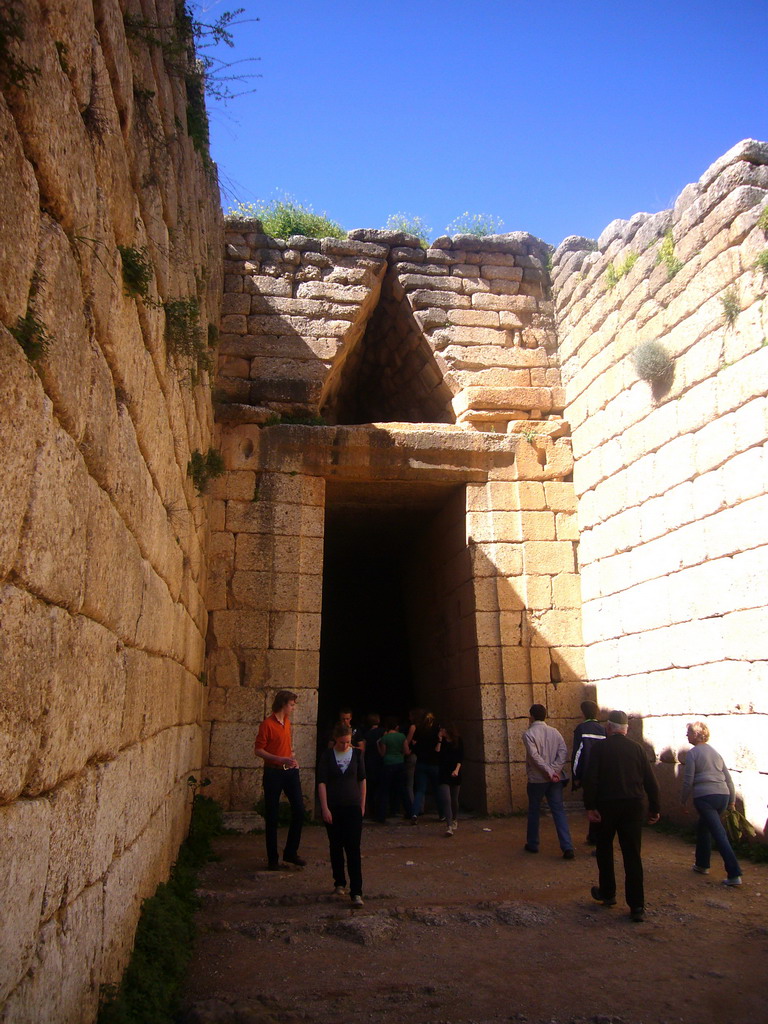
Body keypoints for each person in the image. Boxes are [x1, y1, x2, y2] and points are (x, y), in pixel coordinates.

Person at [583, 710, 660, 922]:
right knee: (632, 855)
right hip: (633, 807)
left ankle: (608, 893)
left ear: (608, 728)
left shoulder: (600, 748)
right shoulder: (637, 749)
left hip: (607, 807)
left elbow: (592, 780)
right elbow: (650, 781)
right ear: (626, 729)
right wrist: (655, 807)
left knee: (604, 849)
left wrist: (590, 806)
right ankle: (637, 905)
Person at [681, 721, 742, 886]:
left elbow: (688, 780)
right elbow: (728, 778)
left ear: (696, 734)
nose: (686, 735)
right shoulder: (715, 753)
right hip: (722, 795)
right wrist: (732, 801)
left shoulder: (693, 753)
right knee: (704, 828)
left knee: (718, 833)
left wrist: (683, 800)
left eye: (688, 732)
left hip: (705, 797)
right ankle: (702, 864)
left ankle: (734, 874)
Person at [254, 690, 306, 871]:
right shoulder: (267, 724)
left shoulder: (288, 723)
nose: (293, 707)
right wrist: (279, 759)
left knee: (299, 810)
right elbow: (258, 750)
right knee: (272, 815)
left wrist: (292, 757)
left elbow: (287, 746)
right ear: (283, 704)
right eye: (291, 704)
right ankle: (272, 858)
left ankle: (291, 852)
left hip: (289, 771)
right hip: (273, 772)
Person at [317, 723, 367, 907]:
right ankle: (339, 882)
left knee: (353, 849)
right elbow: (322, 782)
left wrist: (362, 805)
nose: (345, 745)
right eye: (341, 742)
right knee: (336, 846)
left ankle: (357, 891)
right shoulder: (327, 756)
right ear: (335, 740)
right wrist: (324, 807)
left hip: (353, 806)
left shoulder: (357, 755)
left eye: (347, 742)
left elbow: (362, 779)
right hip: (334, 806)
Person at [522, 704, 575, 858]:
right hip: (554, 779)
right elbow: (563, 752)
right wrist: (555, 771)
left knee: (534, 811)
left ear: (531, 716)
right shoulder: (555, 732)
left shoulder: (529, 734)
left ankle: (533, 844)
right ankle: (567, 846)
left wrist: (550, 772)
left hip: (537, 779)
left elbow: (535, 757)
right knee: (558, 811)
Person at [572, 700, 606, 845]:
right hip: (603, 774)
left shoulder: (582, 729)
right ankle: (596, 834)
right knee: (600, 804)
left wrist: (576, 776)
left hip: (587, 773)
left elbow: (577, 755)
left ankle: (595, 836)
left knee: (591, 804)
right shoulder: (603, 730)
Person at [376, 716, 413, 822]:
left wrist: (378, 746)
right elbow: (406, 751)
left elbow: (383, 754)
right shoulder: (401, 736)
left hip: (388, 764)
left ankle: (381, 815)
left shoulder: (385, 738)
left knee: (384, 790)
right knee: (403, 789)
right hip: (400, 764)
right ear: (397, 726)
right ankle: (409, 812)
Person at [411, 709, 441, 823]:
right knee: (437, 790)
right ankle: (442, 813)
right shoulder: (435, 731)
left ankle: (414, 813)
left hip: (421, 763)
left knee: (420, 790)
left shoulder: (419, 730)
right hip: (433, 763)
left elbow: (415, 745)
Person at [436, 723, 463, 837]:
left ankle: (455, 818)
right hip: (443, 772)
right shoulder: (441, 741)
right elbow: (437, 753)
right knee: (446, 799)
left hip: (455, 771)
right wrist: (439, 740)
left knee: (454, 799)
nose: (441, 731)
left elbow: (461, 756)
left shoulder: (458, 740)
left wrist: (456, 770)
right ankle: (449, 825)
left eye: (442, 729)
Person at [363, 713, 384, 818]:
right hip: (380, 762)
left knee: (370, 789)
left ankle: (371, 810)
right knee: (380, 789)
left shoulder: (367, 735)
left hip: (370, 762)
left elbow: (364, 750)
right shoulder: (382, 732)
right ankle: (380, 812)